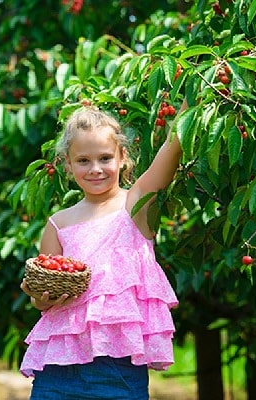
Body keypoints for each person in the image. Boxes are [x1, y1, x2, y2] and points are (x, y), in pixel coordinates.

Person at [20, 99, 187, 400]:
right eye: (83, 160)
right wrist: (40, 298)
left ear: (123, 157)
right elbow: (44, 304)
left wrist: (194, 93)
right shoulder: (58, 224)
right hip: (58, 369)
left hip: (117, 370)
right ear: (67, 165)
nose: (95, 169)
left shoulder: (135, 204)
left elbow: (172, 147)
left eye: (105, 158)